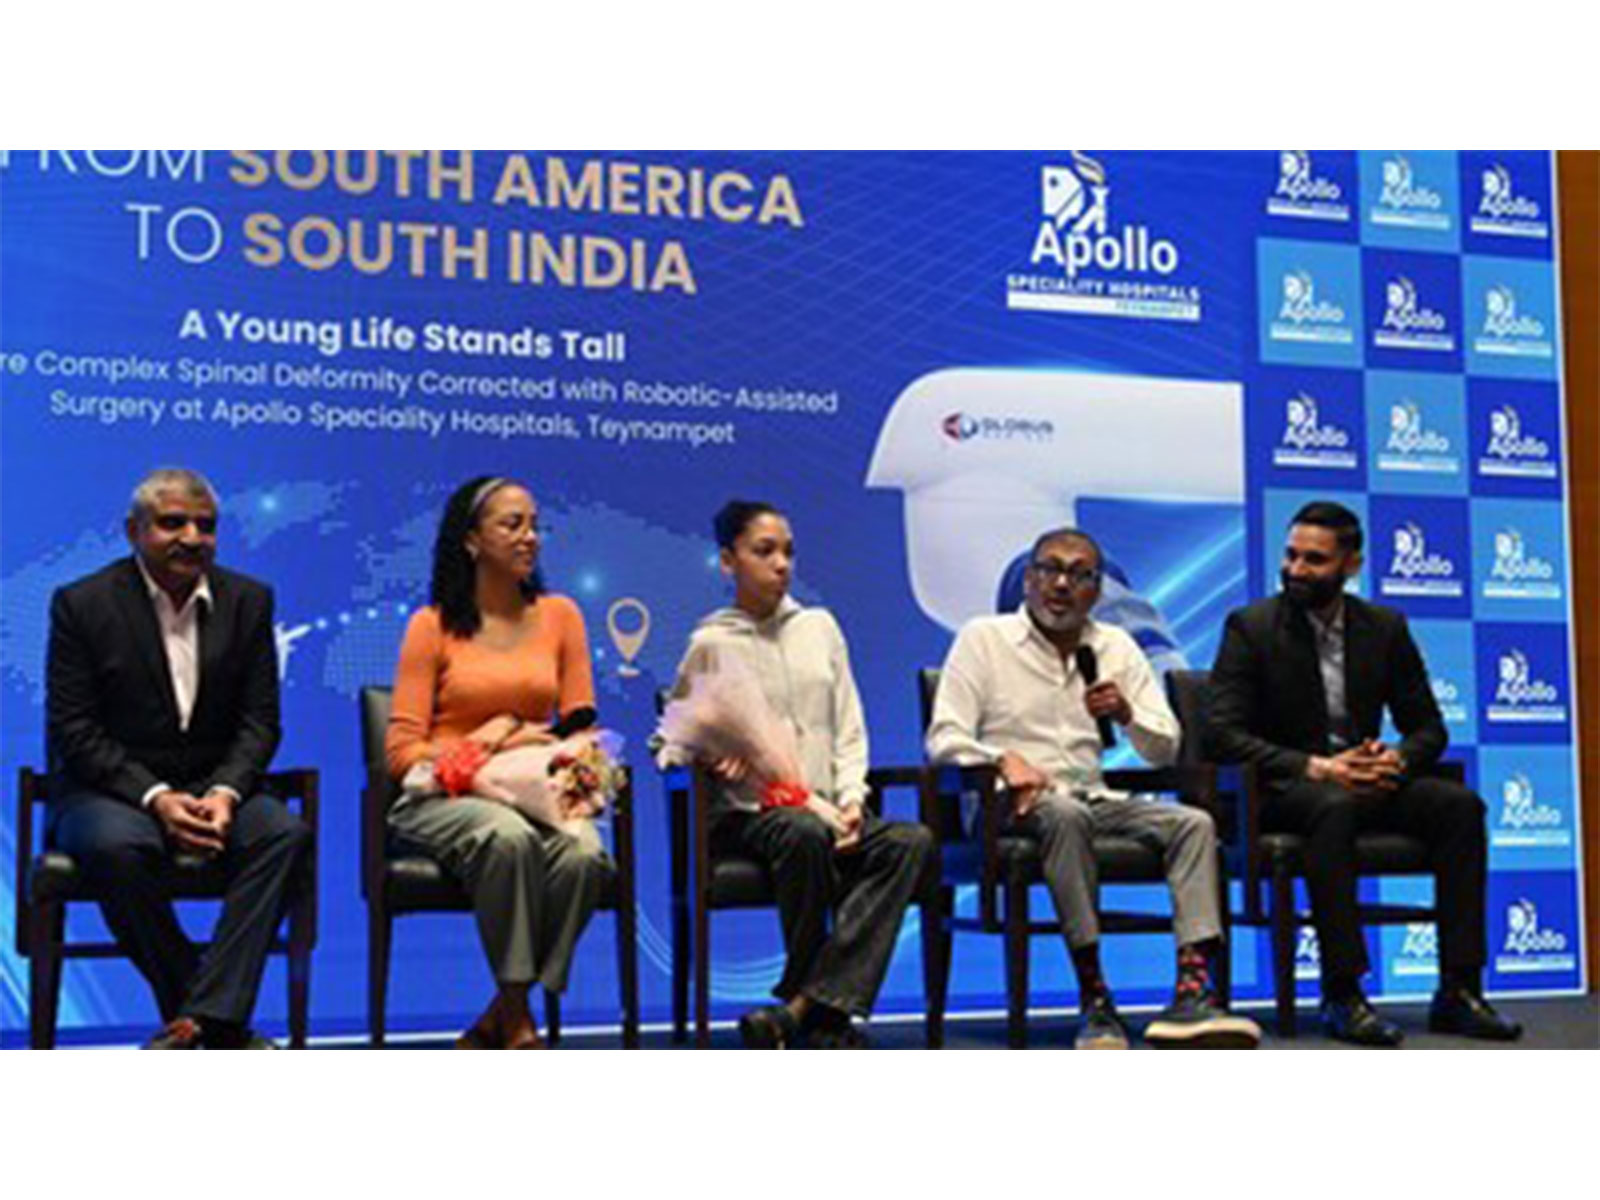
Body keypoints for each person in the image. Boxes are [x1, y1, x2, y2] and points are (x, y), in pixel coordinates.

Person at [927, 526, 1260, 1049]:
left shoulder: (1116, 645)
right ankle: (1095, 996)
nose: (1062, 584)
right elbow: (943, 737)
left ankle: (1192, 993)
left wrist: (1127, 714)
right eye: (1051, 570)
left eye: (1080, 575)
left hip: (1094, 797)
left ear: (1097, 590)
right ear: (1030, 579)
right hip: (1009, 805)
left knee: (1193, 824)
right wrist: (1001, 760)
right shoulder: (984, 639)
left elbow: (1166, 749)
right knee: (1065, 814)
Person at [1207, 500, 1521, 1046]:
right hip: (1281, 791)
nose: (1296, 569)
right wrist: (1319, 767)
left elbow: (1429, 728)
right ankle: (1343, 993)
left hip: (1363, 781)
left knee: (1460, 807)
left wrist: (1395, 759)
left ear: (1350, 565)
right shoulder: (1251, 627)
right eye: (1291, 555)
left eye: (1314, 560)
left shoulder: (1384, 627)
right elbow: (1221, 734)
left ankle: (1459, 989)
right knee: (1333, 805)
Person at [46, 468, 311, 1049]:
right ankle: (213, 1022)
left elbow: (260, 723)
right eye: (172, 523)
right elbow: (75, 730)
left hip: (217, 785)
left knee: (283, 833)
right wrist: (156, 797)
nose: (192, 538)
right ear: (134, 531)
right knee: (116, 847)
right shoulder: (82, 604)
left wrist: (225, 792)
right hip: (111, 790)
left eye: (205, 526)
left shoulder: (249, 600)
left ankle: (200, 1023)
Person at [657, 500, 935, 1048]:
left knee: (912, 842)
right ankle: (826, 1016)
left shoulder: (819, 628)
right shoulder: (710, 644)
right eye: (764, 552)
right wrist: (705, 757)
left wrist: (852, 800)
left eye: (787, 551)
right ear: (728, 561)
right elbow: (668, 745)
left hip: (829, 808)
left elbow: (849, 725)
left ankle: (803, 1005)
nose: (781, 564)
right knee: (801, 831)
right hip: (750, 815)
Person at [385, 476, 611, 1050]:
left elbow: (580, 729)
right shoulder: (431, 626)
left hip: (534, 791)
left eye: (535, 525)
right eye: (512, 525)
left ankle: (504, 1009)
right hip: (446, 794)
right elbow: (402, 754)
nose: (529, 537)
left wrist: (573, 763)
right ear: (471, 540)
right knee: (507, 838)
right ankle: (516, 1022)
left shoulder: (561, 616)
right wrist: (490, 739)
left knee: (585, 855)